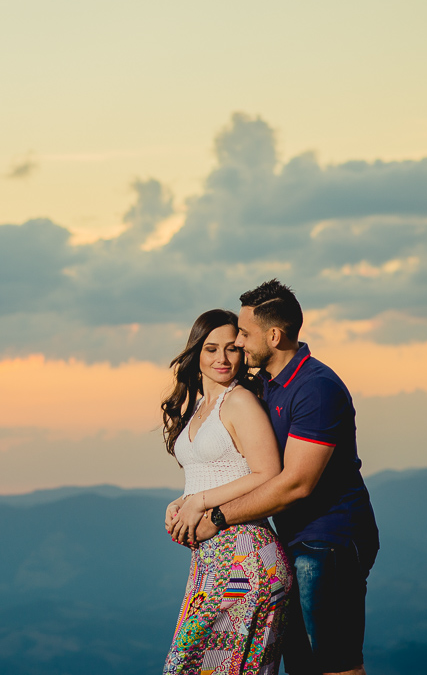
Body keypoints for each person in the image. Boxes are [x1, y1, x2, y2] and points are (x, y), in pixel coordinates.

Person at [183, 280, 379, 675]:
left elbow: (296, 483)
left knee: (336, 666)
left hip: (329, 540)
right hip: (294, 540)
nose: (237, 341)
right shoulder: (269, 386)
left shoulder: (316, 388)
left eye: (243, 333)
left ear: (274, 336)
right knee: (302, 667)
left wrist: (216, 516)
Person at [161, 308, 294, 675]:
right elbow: (212, 473)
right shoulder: (200, 408)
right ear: (196, 354)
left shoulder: (240, 402)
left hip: (245, 556)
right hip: (212, 559)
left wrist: (200, 502)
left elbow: (268, 472)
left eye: (232, 348)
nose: (222, 358)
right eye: (211, 349)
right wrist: (182, 503)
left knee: (183, 668)